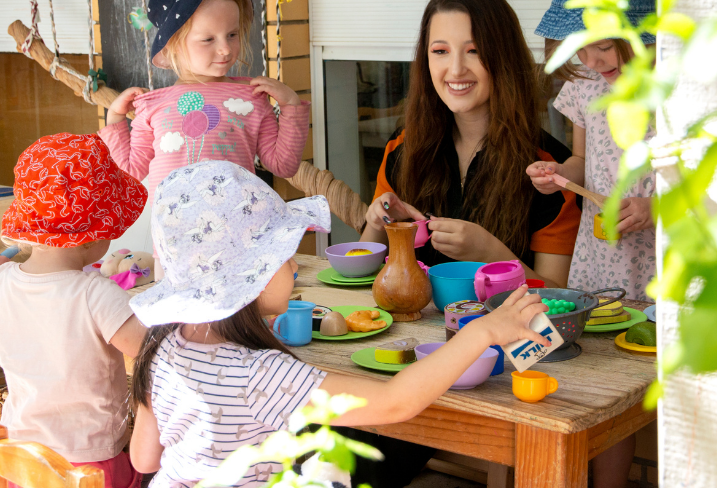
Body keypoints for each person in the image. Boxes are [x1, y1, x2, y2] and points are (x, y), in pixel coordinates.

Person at [127, 160, 551, 488]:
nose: (294, 265)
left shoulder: (164, 344)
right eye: (284, 255)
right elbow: (395, 403)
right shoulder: (260, 373)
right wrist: (484, 331)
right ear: (249, 278)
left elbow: (144, 460)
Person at [0, 133, 150, 488]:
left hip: (20, 457)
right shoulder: (96, 293)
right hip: (91, 462)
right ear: (95, 235)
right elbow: (148, 347)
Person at [361, 0, 581, 288]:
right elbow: (365, 271)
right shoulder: (403, 147)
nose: (455, 69)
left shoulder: (549, 170)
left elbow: (558, 296)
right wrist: (378, 221)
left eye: (474, 51)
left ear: (503, 58)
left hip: (508, 333)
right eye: (440, 51)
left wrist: (491, 253)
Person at [99, 0, 310, 207]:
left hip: (240, 233)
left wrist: (291, 106)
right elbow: (129, 171)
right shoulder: (153, 106)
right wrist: (115, 118)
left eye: (232, 34)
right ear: (173, 45)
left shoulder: (251, 99)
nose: (225, 49)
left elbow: (283, 165)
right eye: (208, 39)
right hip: (176, 238)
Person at [527, 0, 656, 302]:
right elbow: (582, 162)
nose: (592, 61)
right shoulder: (584, 83)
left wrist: (656, 209)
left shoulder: (677, 90)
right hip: (603, 254)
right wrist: (560, 175)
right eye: (579, 47)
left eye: (602, 46)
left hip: (664, 251)